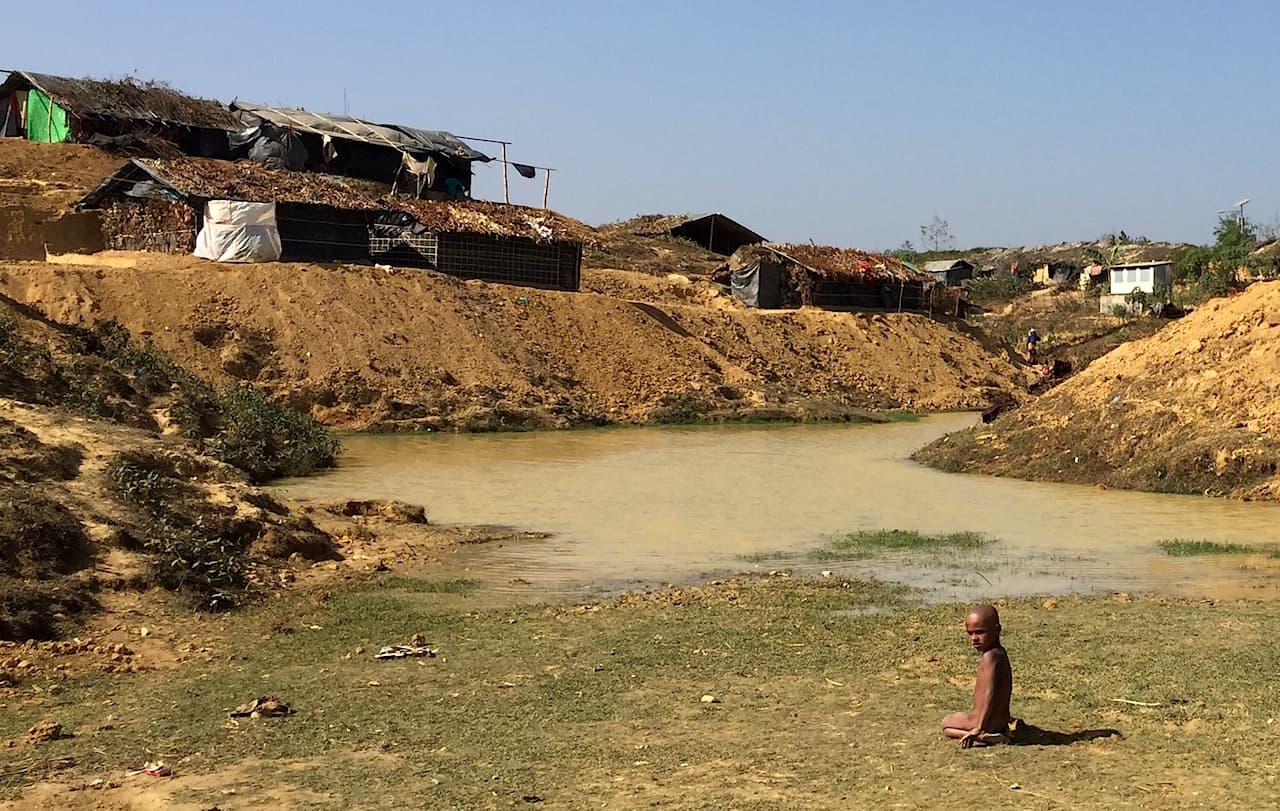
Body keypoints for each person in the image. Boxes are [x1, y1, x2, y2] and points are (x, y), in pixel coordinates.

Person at [941, 604, 1016, 748]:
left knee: (946, 724)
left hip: (982, 721)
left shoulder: (989, 658)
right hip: (1000, 722)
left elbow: (989, 692)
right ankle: (998, 731)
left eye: (980, 632)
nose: (974, 638)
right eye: (970, 633)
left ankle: (981, 736)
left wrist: (979, 726)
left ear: (997, 630)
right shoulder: (1001, 653)